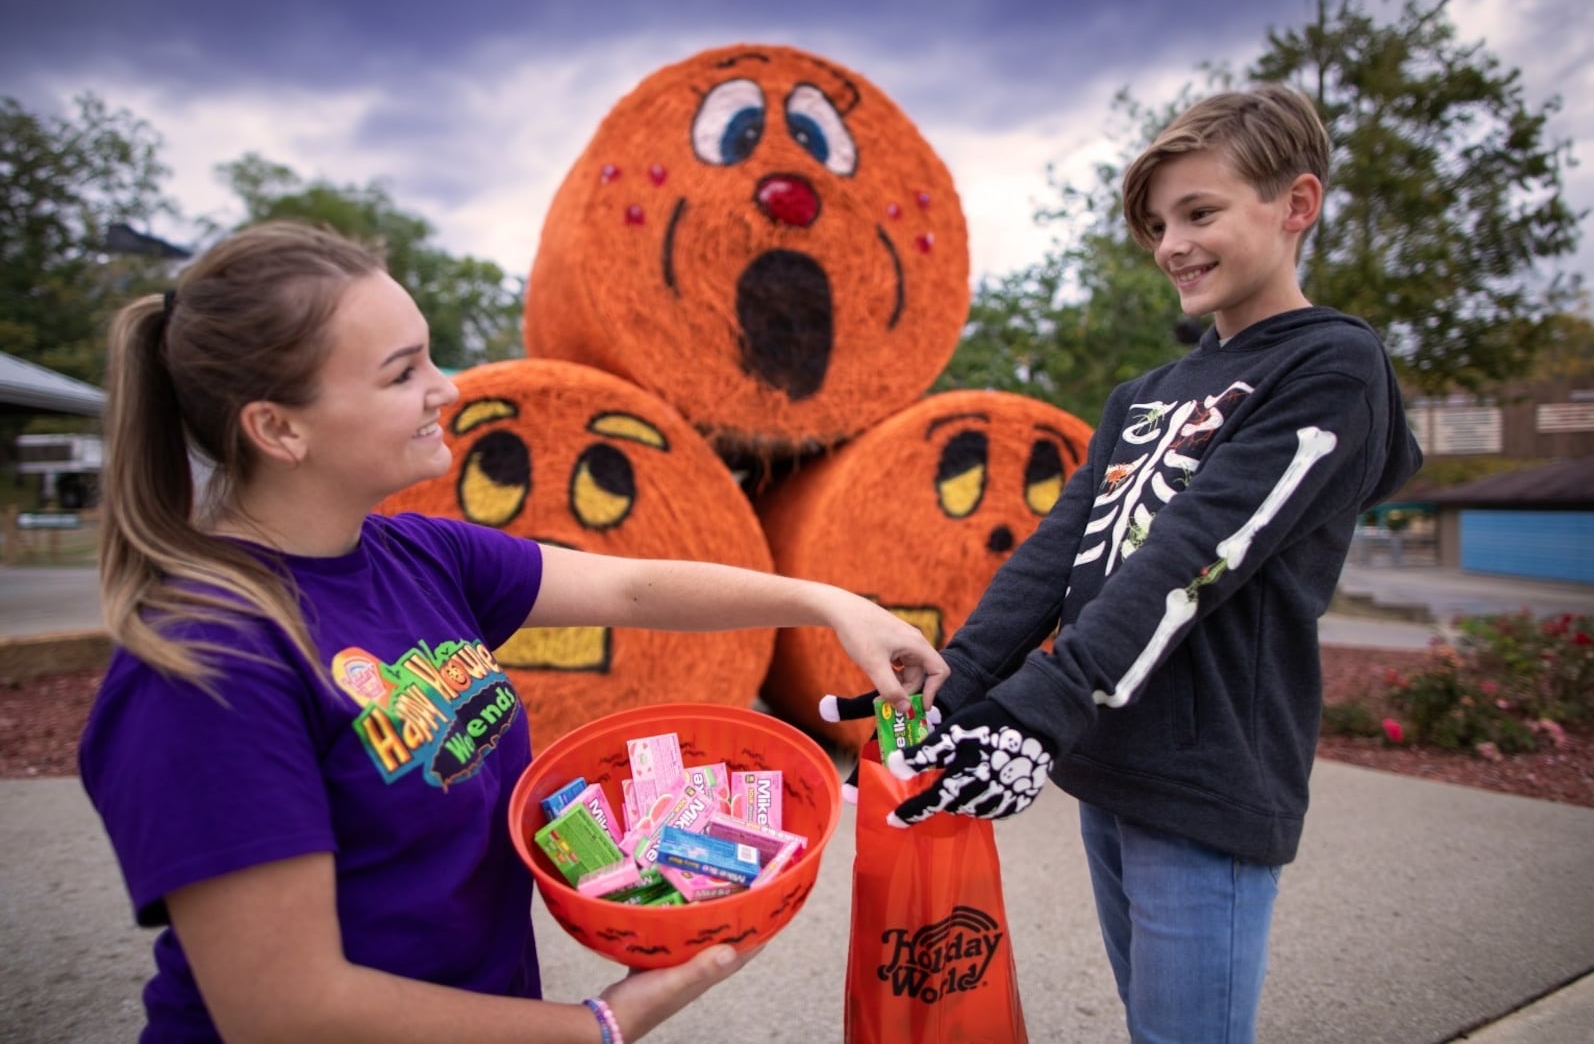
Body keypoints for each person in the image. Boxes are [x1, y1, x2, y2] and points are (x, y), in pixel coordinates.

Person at [80, 219, 950, 1044]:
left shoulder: (417, 554)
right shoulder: (205, 664)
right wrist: (598, 1025)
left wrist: (828, 602)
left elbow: (631, 585)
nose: (447, 388)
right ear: (278, 427)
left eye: (430, 356)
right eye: (401, 373)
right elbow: (288, 1009)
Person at [825, 84, 1422, 1042]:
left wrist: (1042, 708)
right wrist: (952, 685)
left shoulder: (1331, 366)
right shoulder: (1142, 395)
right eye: (1157, 225)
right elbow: (1056, 554)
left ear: (1297, 204)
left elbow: (1199, 552)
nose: (1171, 245)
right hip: (1109, 761)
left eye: (1199, 213)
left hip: (1209, 777)